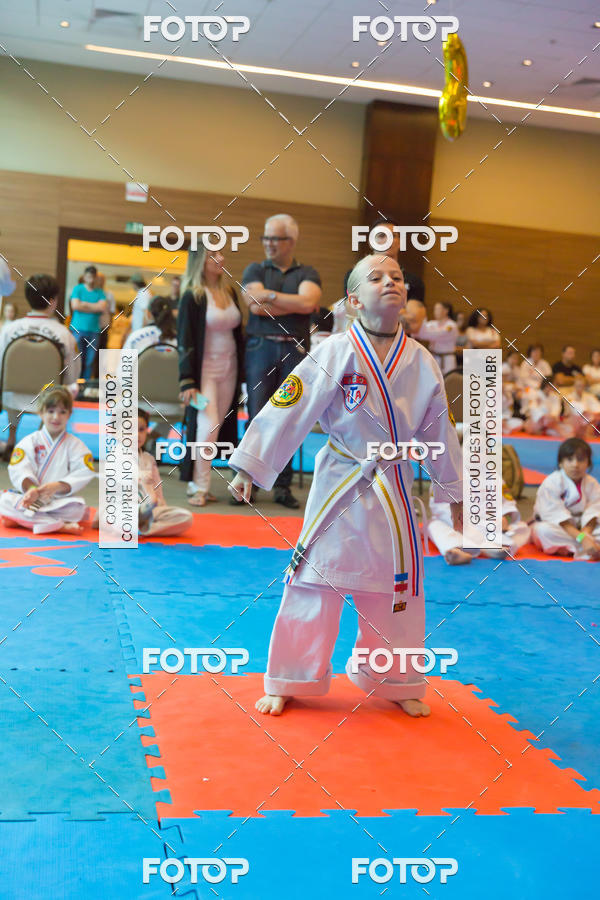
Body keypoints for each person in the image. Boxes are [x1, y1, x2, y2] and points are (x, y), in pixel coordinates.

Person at [229, 253, 463, 718]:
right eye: (376, 278)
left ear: (406, 295)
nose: (390, 282)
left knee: (397, 590)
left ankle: (395, 680)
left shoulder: (421, 361)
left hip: (393, 485)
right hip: (341, 480)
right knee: (313, 581)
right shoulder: (334, 351)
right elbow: (288, 407)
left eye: (396, 277)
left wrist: (454, 491)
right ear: (354, 300)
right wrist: (249, 467)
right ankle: (291, 677)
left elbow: (440, 429)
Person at [241, 213, 322, 508]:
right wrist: (291, 302)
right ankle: (247, 482)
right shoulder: (255, 268)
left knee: (288, 417)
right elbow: (253, 305)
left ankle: (282, 486)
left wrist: (270, 296)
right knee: (257, 416)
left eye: (275, 238)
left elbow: (309, 303)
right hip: (260, 348)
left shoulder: (308, 272)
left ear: (291, 241)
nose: (268, 243)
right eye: (266, 237)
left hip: (294, 351)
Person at [178, 246, 244, 507]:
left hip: (230, 368)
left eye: (220, 253)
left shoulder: (230, 291)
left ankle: (202, 482)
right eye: (213, 255)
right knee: (208, 427)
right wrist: (187, 380)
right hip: (204, 371)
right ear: (200, 262)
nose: (220, 258)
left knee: (218, 428)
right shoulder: (192, 296)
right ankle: (198, 486)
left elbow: (238, 333)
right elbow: (184, 339)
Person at [0, 274, 82, 458]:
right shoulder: (64, 334)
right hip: (48, 398)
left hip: (11, 396)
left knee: (11, 390)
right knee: (66, 387)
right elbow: (72, 375)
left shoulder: (8, 330)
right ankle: (40, 440)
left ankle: (11, 440)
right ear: (52, 301)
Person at [0, 385, 95, 534]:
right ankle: (59, 525)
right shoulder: (29, 441)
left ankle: (23, 520)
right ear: (41, 413)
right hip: (30, 498)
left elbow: (84, 471)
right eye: (51, 411)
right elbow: (19, 469)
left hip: (58, 502)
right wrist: (32, 489)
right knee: (4, 501)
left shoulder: (76, 445)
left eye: (62, 412)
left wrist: (57, 486)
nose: (56, 417)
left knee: (77, 508)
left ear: (69, 414)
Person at [532, 437, 600, 559]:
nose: (575, 465)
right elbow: (556, 516)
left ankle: (576, 548)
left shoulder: (592, 483)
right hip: (561, 528)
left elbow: (595, 511)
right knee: (543, 530)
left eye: (581, 459)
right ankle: (588, 549)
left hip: (584, 529)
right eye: (569, 459)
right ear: (561, 463)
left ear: (588, 463)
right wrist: (582, 538)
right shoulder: (552, 482)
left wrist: (586, 535)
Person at [428, 482, 530, 564]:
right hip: (457, 522)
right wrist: (462, 523)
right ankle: (457, 548)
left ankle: (483, 547)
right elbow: (440, 509)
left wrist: (504, 516)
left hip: (487, 522)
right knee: (434, 525)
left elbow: (506, 503)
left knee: (522, 527)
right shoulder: (445, 473)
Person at [137, 409, 193, 537]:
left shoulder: (149, 459)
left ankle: (142, 530)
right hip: (125, 510)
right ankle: (135, 525)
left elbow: (157, 487)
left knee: (185, 518)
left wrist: (160, 502)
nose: (137, 435)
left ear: (147, 431)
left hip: (149, 509)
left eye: (141, 430)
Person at [69, 265, 107, 380]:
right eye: (88, 276)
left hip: (94, 331)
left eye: (92, 277)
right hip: (77, 329)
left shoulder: (100, 292)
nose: (90, 279)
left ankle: (85, 385)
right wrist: (94, 307)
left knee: (90, 361)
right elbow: (75, 306)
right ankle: (75, 383)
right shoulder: (78, 289)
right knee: (77, 359)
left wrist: (84, 304)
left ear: (95, 278)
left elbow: (102, 308)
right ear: (84, 277)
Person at [415, 301, 458, 373]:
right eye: (435, 309)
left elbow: (428, 335)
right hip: (433, 357)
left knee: (448, 378)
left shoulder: (451, 326)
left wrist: (424, 333)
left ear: (446, 310)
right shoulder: (432, 324)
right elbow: (417, 334)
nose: (435, 311)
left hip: (447, 359)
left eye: (438, 309)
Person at [564, 373, 600, 439]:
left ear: (584, 387)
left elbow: (597, 408)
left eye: (582, 386)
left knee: (592, 416)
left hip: (587, 422)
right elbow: (568, 413)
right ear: (574, 386)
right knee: (587, 416)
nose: (580, 388)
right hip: (573, 421)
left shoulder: (589, 396)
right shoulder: (569, 397)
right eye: (578, 386)